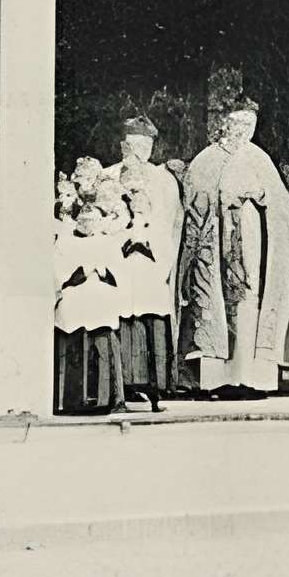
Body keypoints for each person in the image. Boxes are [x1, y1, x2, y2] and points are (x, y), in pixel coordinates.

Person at [175, 98, 289, 398]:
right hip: (214, 245)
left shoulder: (259, 159)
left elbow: (280, 206)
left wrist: (258, 194)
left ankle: (252, 378)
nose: (242, 130)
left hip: (251, 240)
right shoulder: (205, 160)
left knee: (248, 303)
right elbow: (192, 204)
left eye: (249, 125)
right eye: (237, 124)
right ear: (225, 124)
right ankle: (217, 379)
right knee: (214, 306)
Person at [109, 117, 180, 412]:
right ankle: (122, 385)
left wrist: (155, 246)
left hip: (151, 260)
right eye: (134, 145)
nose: (140, 152)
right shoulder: (109, 176)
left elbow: (171, 221)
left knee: (150, 319)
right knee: (121, 315)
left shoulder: (163, 180)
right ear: (123, 145)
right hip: (120, 260)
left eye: (146, 146)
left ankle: (153, 385)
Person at [53, 190, 128, 416]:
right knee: (71, 317)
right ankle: (70, 400)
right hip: (75, 293)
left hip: (102, 293)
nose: (87, 222)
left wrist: (104, 271)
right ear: (76, 220)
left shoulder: (108, 243)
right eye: (83, 219)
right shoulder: (65, 243)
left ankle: (108, 398)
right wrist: (82, 272)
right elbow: (58, 274)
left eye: (92, 219)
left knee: (104, 322)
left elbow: (120, 274)